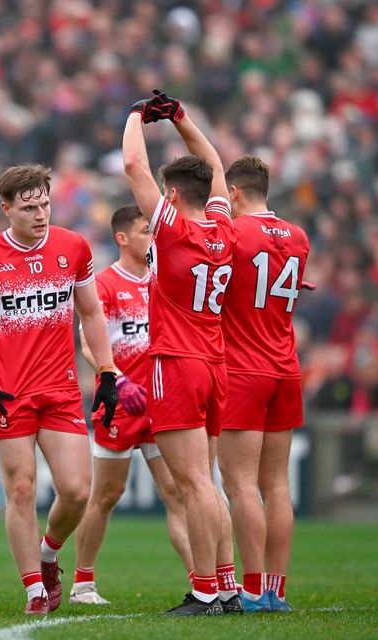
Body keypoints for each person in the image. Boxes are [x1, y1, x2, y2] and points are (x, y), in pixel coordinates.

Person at [0, 164, 119, 615]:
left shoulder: (73, 247)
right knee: (21, 489)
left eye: (45, 204)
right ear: (6, 209)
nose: (40, 214)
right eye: (29, 207)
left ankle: (48, 552)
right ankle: (34, 588)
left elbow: (91, 313)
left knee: (75, 491)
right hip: (9, 394)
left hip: (61, 389)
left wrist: (107, 371)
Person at [122, 90, 237, 615]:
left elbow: (131, 163)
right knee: (206, 483)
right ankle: (228, 586)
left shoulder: (173, 227)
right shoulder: (223, 226)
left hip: (176, 362)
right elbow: (214, 164)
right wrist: (182, 118)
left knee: (191, 485)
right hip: (216, 364)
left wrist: (135, 114)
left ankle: (206, 591)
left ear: (171, 192)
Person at [70, 204, 193, 606]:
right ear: (122, 238)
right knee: (106, 495)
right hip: (120, 403)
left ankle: (202, 583)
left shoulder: (164, 280)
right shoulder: (104, 284)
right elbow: (88, 342)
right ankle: (82, 583)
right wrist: (116, 379)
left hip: (161, 402)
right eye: (145, 231)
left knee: (176, 493)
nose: (153, 237)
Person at [216, 156, 310, 613]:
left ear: (233, 192)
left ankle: (251, 589)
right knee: (277, 485)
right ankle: (277, 590)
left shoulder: (233, 232)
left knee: (240, 485)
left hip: (243, 367)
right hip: (285, 366)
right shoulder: (298, 236)